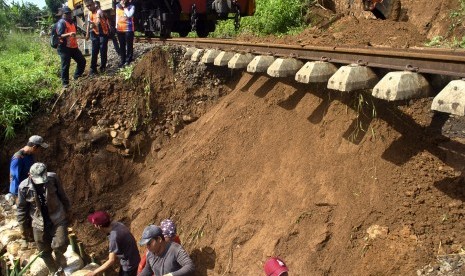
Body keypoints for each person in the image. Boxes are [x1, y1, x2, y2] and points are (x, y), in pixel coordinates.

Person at [17, 163, 71, 274]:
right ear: (29, 175)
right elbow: (22, 209)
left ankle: (61, 264)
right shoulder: (23, 187)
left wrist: (69, 211)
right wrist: (24, 229)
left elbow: (62, 195)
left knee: (60, 244)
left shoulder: (53, 178)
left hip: (57, 217)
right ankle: (54, 271)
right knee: (44, 251)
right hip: (38, 222)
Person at [87, 211, 140, 276]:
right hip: (133, 258)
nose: (94, 226)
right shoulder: (117, 224)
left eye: (94, 224)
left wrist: (94, 272)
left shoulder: (114, 237)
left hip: (129, 265)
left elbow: (111, 260)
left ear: (99, 226)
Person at [56, 6, 86, 87]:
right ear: (63, 14)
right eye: (67, 14)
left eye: (69, 13)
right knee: (66, 65)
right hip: (64, 47)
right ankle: (65, 83)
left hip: (73, 47)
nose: (69, 15)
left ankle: (77, 76)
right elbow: (59, 35)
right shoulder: (61, 23)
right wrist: (69, 34)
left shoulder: (72, 22)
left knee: (82, 61)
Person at [85, 0, 109, 75]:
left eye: (90, 5)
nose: (89, 7)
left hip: (103, 33)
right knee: (94, 51)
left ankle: (103, 67)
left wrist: (94, 24)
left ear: (93, 4)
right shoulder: (89, 13)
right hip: (95, 33)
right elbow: (89, 23)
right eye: (87, 6)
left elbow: (98, 22)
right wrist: (87, 33)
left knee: (103, 51)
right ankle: (93, 69)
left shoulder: (99, 11)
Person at [115, 0, 135, 67]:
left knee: (129, 45)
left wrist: (124, 7)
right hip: (120, 29)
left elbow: (129, 15)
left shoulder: (132, 6)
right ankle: (122, 61)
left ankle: (128, 60)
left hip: (128, 29)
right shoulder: (117, 6)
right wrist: (116, 26)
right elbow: (117, 17)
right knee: (122, 46)